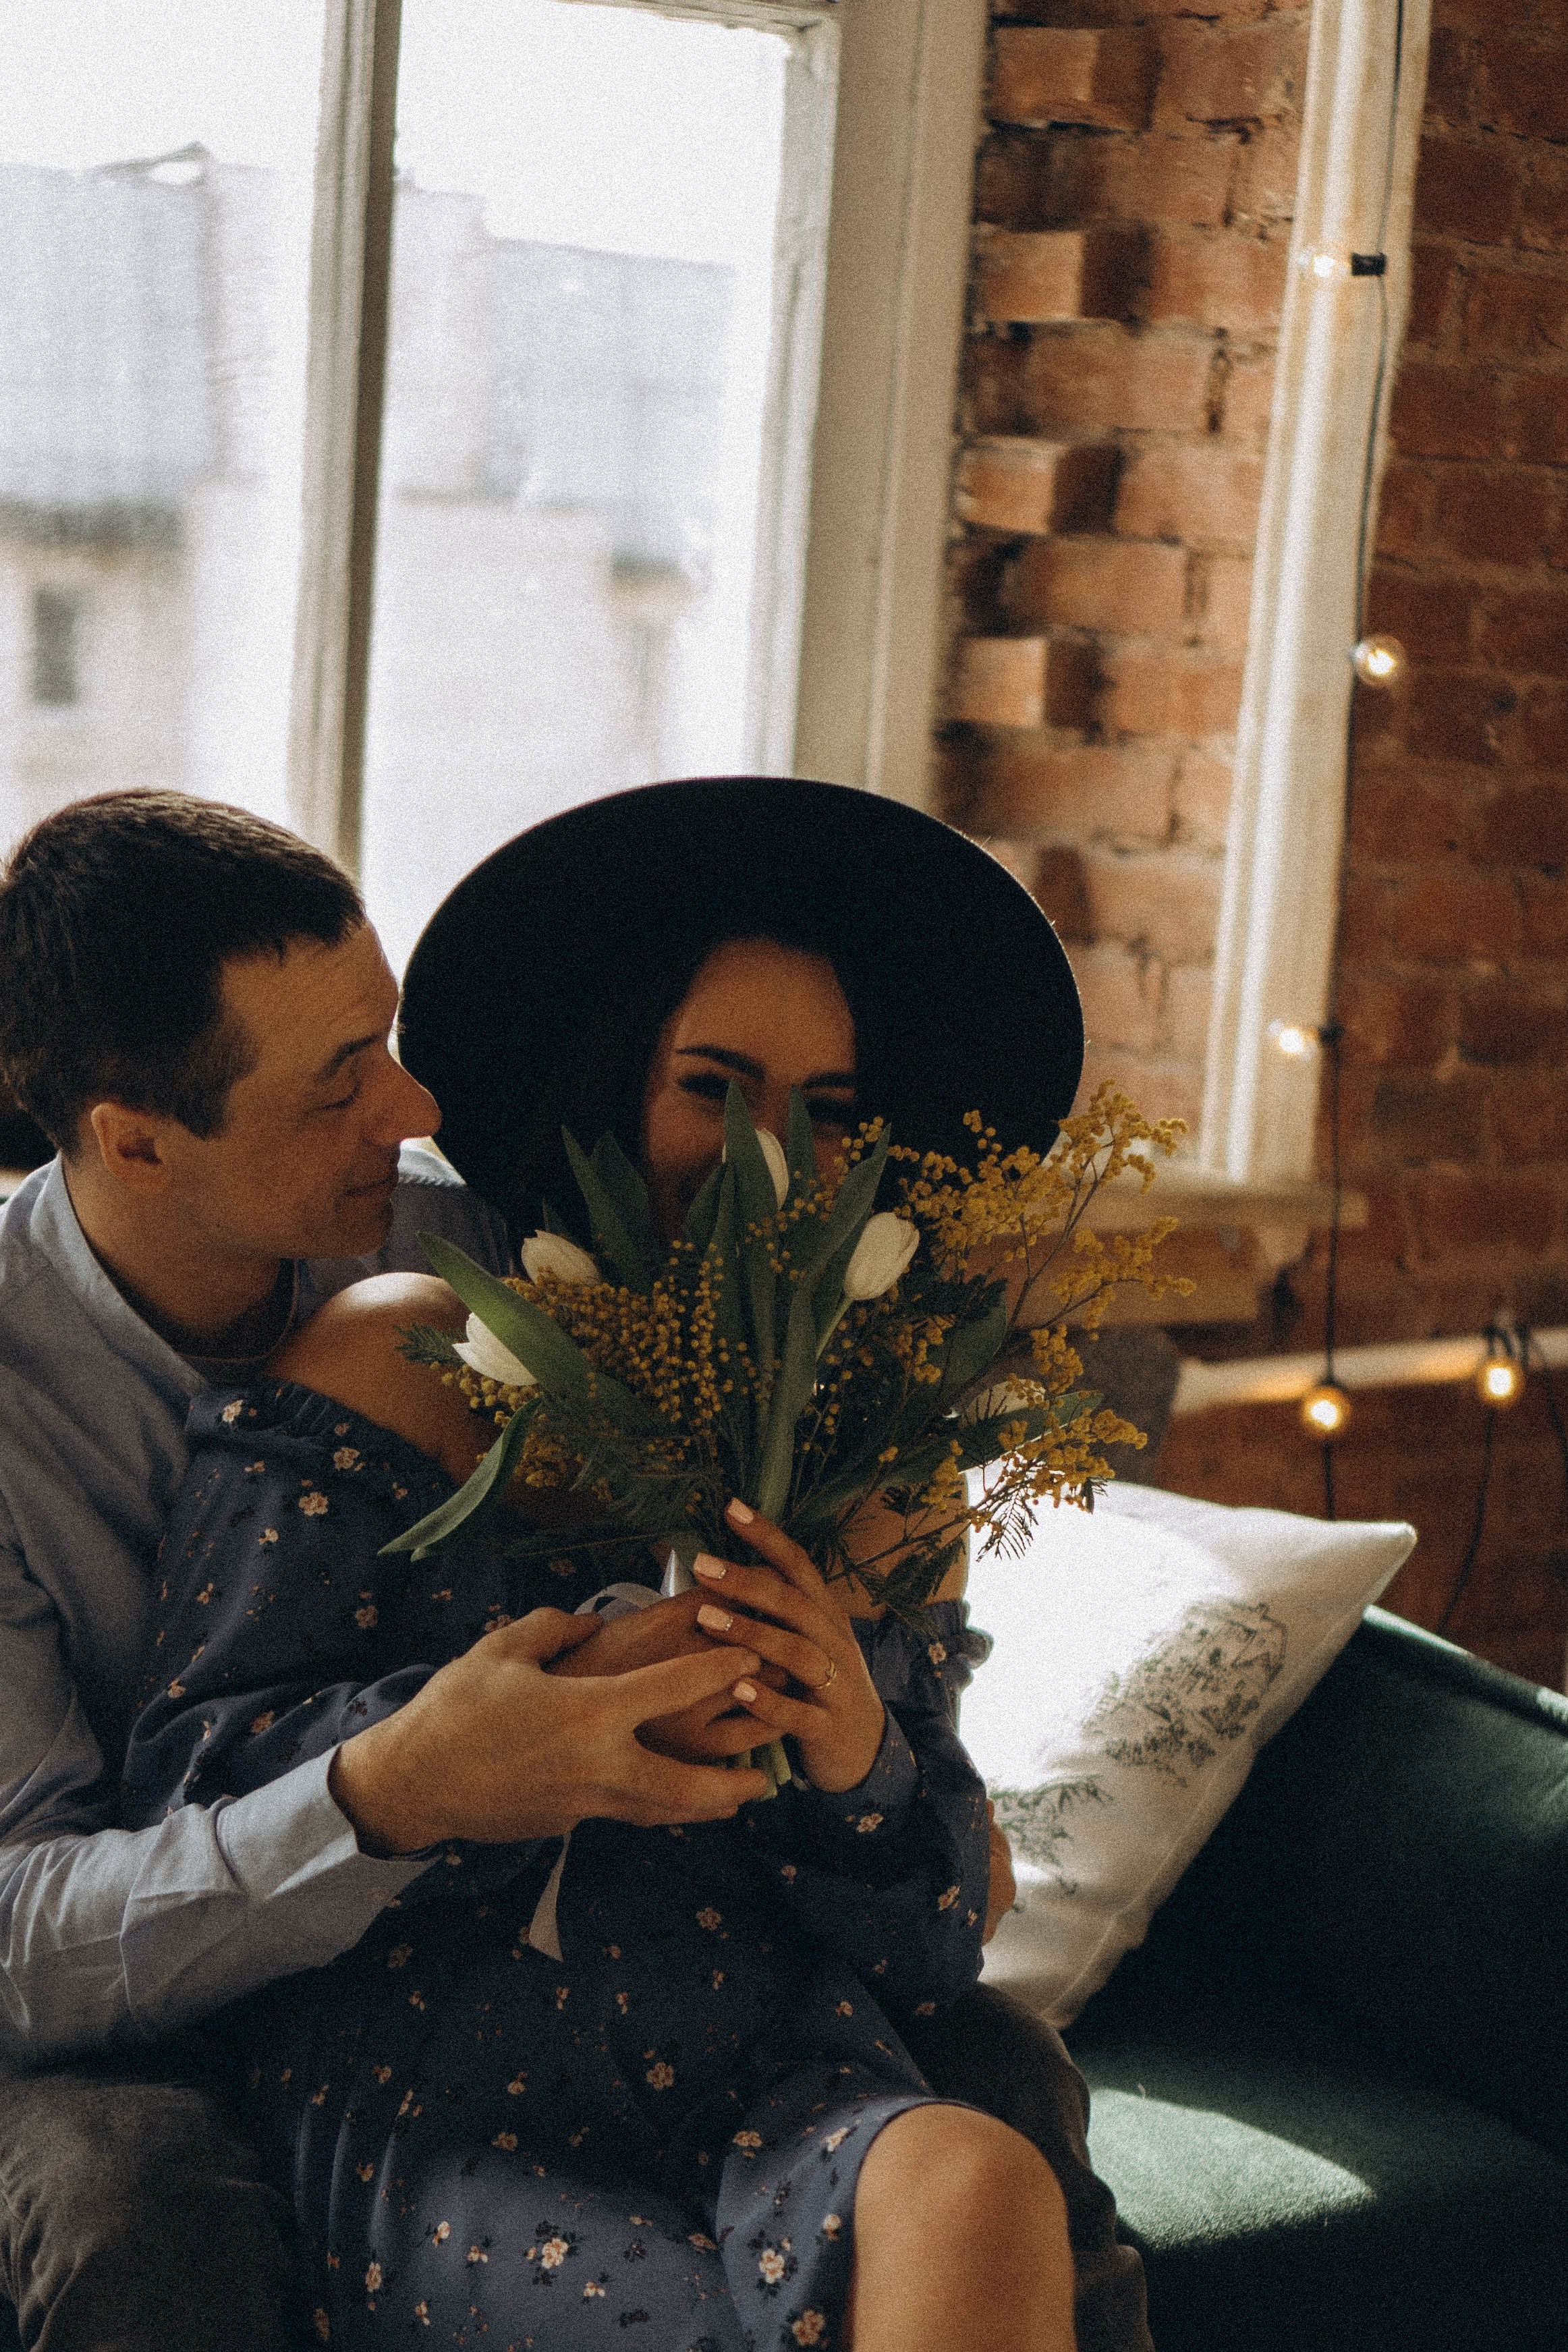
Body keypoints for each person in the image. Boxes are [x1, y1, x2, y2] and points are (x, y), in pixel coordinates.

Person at [125, 779, 1154, 2349]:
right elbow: (189, 1780)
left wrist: (857, 1749)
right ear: (615, 1083)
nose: (768, 1156)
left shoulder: (883, 1448)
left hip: (776, 2076)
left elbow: (936, 1945)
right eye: (712, 1086)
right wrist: (501, 1730)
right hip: (444, 2085)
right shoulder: (408, 1354)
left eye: (820, 1108)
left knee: (978, 2182)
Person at [0, 791, 777, 2352]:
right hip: (104, 2023)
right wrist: (378, 1800)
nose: (415, 1107)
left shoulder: (451, 1245)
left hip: (437, 1961)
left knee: (984, 2071)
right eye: (338, 1084)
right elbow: (14, 1934)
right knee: (140, 2205)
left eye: (393, 1038)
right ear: (134, 1141)